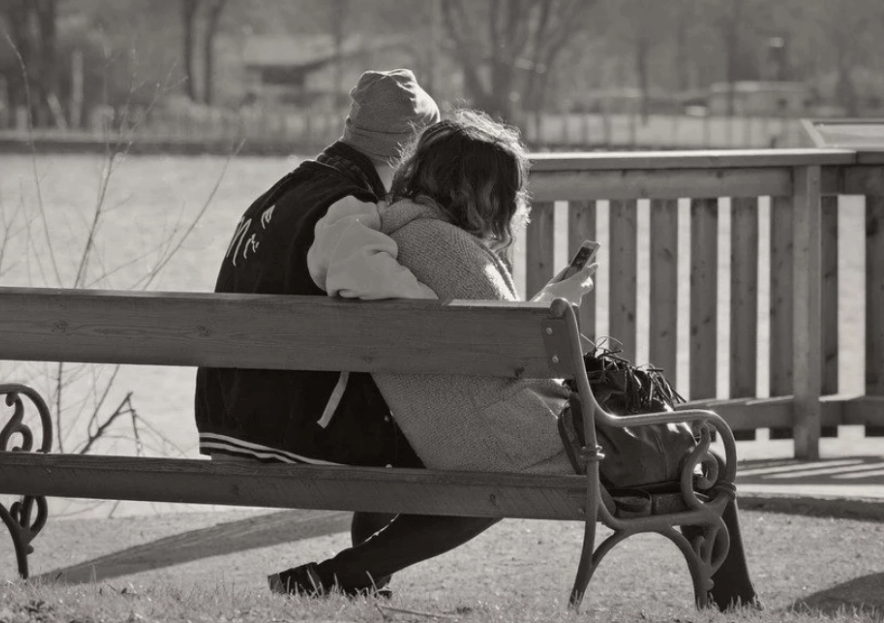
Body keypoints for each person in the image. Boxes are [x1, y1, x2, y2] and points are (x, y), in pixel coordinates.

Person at [300, 109, 761, 610]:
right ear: (480, 188)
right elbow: (522, 356)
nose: (513, 202)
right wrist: (559, 305)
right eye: (507, 190)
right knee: (703, 458)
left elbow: (497, 339)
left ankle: (333, 576)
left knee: (681, 449)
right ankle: (735, 605)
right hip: (505, 437)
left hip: (450, 430)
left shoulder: (398, 232)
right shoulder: (447, 247)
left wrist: (545, 307)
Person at [195, 69, 502, 598]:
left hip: (234, 408)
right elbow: (370, 281)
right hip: (287, 424)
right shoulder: (348, 203)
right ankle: (339, 578)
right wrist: (445, 311)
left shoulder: (287, 190)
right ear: (413, 150)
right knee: (484, 463)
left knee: (393, 413)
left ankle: (359, 581)